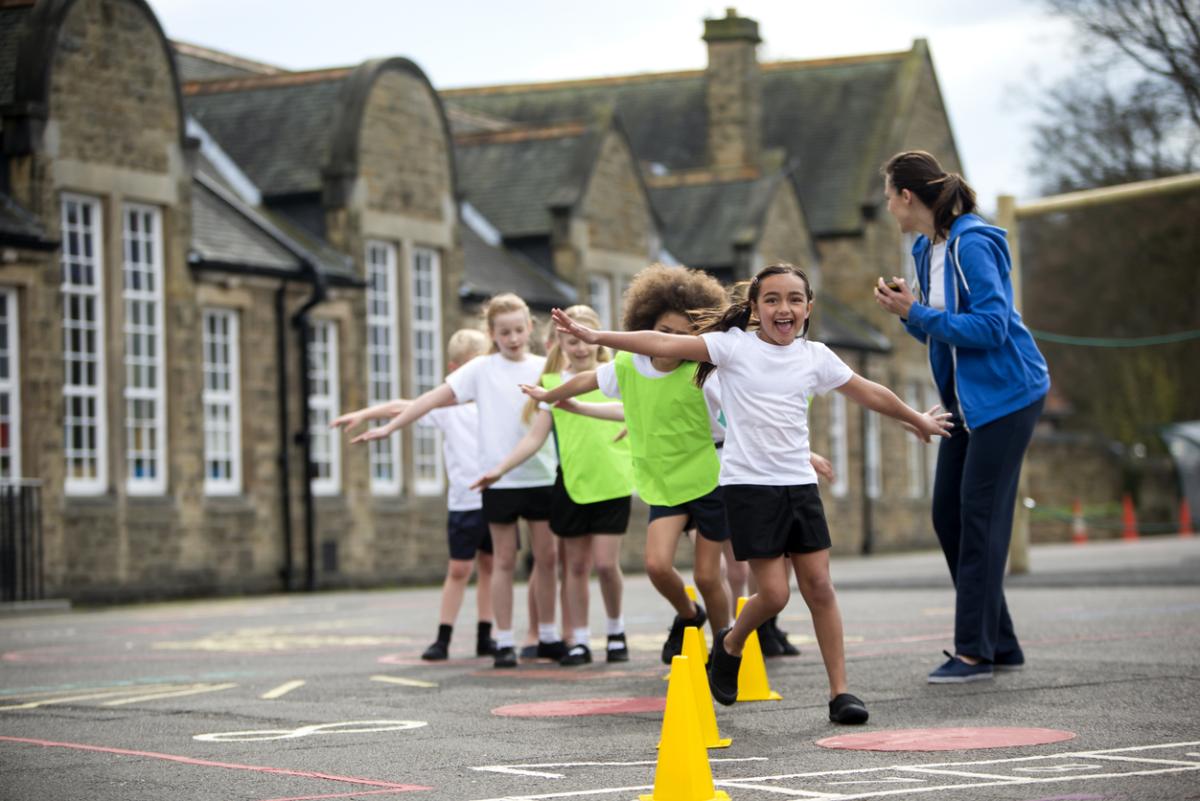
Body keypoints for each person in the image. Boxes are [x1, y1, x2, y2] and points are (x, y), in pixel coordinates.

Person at [549, 263, 952, 724]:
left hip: (798, 486)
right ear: (756, 309)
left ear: (808, 308)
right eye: (773, 299)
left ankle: (841, 693)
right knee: (775, 595)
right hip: (748, 487)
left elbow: (868, 391)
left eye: (794, 299)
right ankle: (732, 641)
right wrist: (599, 338)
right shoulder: (731, 348)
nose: (784, 308)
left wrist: (916, 418)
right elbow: (662, 343)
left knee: (819, 586)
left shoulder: (815, 356)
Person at [875, 150, 1050, 684]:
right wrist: (911, 314)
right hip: (964, 403)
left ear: (908, 196)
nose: (888, 208)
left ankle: (973, 653)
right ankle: (1001, 642)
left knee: (979, 518)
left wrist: (919, 313)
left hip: (1007, 397)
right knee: (947, 515)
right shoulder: (926, 248)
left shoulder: (973, 243)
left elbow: (991, 328)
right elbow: (941, 332)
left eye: (889, 197)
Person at [523, 265, 733, 663]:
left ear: (699, 340)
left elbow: (740, 422)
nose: (669, 343)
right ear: (644, 328)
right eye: (663, 332)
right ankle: (689, 615)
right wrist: (550, 396)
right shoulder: (628, 366)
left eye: (683, 337)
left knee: (708, 576)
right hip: (664, 481)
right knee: (656, 566)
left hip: (709, 477)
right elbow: (587, 382)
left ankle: (724, 650)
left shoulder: (706, 376)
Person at [354, 293, 563, 669]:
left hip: (540, 476)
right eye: (504, 332)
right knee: (502, 561)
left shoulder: (544, 367)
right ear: (492, 333)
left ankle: (548, 635)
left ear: (530, 328)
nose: (513, 338)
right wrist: (389, 428)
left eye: (519, 330)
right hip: (496, 481)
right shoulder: (480, 370)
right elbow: (431, 399)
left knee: (546, 559)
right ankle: (502, 640)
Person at [473, 305, 632, 666]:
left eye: (582, 340)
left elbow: (639, 413)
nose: (578, 348)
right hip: (572, 484)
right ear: (558, 342)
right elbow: (534, 439)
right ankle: (577, 639)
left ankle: (616, 630)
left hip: (613, 482)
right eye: (569, 341)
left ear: (595, 338)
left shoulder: (616, 376)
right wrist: (499, 470)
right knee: (574, 567)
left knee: (606, 565)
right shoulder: (552, 385)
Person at [332, 328, 497, 660]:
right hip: (464, 503)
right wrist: (365, 414)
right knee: (459, 570)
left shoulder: (496, 402)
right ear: (454, 370)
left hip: (496, 497)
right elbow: (403, 407)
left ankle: (486, 634)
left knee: (492, 568)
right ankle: (443, 637)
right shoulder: (447, 408)